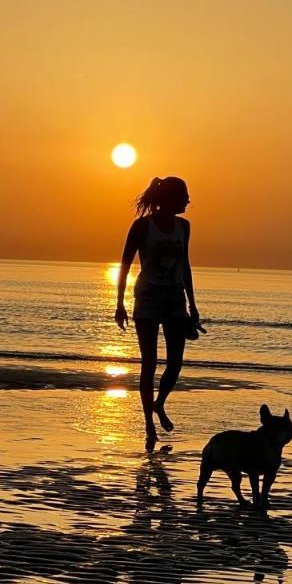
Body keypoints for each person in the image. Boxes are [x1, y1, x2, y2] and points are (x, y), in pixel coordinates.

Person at [115, 176, 202, 449]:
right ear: (170, 199)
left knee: (175, 364)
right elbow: (125, 264)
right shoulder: (143, 226)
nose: (188, 200)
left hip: (175, 300)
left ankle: (159, 404)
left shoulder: (183, 227)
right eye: (184, 195)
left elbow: (185, 266)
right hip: (148, 299)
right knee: (149, 363)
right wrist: (119, 304)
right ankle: (149, 425)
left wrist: (193, 305)